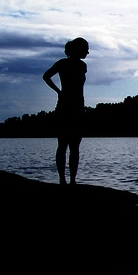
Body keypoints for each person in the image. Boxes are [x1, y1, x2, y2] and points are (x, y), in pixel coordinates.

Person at [43, 37, 88, 185]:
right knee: (64, 144)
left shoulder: (83, 65)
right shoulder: (63, 63)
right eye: (85, 49)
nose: (87, 52)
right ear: (78, 49)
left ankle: (72, 180)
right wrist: (58, 91)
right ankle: (63, 179)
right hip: (65, 106)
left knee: (73, 145)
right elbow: (46, 76)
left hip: (78, 107)